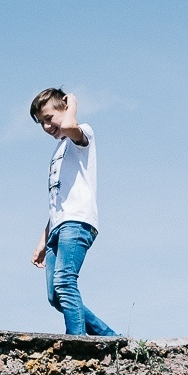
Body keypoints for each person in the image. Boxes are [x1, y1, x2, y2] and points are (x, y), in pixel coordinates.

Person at [29, 88, 116, 337]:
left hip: (77, 222)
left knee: (65, 282)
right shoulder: (58, 153)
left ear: (65, 110)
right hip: (58, 227)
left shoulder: (81, 134)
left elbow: (69, 126)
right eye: (41, 123)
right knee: (55, 296)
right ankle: (109, 336)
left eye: (49, 118)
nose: (47, 126)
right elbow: (58, 200)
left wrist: (72, 105)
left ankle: (76, 341)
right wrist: (42, 240)